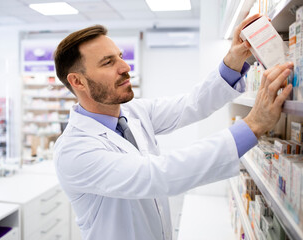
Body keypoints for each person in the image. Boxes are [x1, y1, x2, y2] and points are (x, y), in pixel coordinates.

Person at [53, 14, 293, 240]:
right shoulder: (75, 150)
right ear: (77, 81)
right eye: (108, 62)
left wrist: (234, 59)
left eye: (120, 56)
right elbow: (158, 175)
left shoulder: (134, 112)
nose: (125, 67)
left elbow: (191, 104)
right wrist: (252, 125)